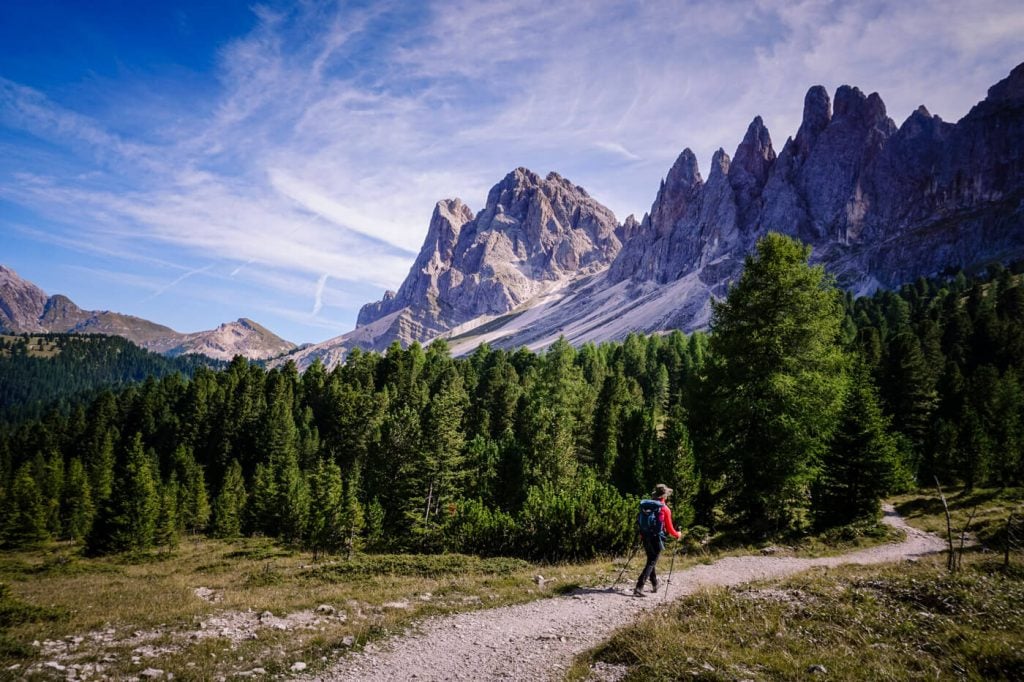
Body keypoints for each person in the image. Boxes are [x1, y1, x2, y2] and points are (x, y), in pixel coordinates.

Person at [634, 483, 681, 597]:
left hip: (645, 536)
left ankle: (655, 583)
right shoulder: (664, 509)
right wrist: (678, 534)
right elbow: (670, 529)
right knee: (652, 561)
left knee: (651, 559)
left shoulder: (646, 506)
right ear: (664, 496)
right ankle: (639, 587)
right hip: (657, 538)